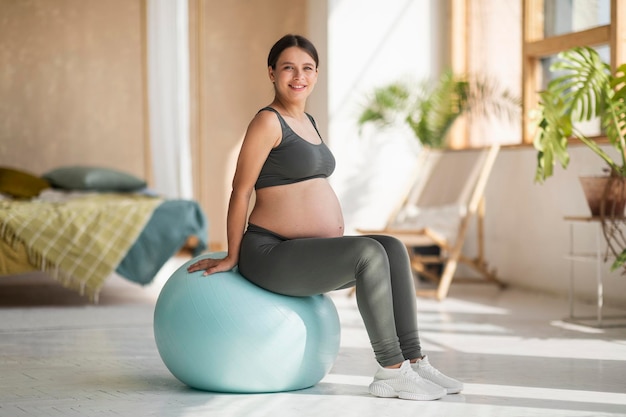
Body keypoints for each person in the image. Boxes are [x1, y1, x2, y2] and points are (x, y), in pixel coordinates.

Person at [187, 34, 463, 401]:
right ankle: (391, 370)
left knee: (392, 247)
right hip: (270, 252)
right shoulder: (267, 122)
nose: (298, 76)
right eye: (288, 68)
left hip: (304, 249)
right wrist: (232, 255)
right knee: (368, 253)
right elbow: (240, 190)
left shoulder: (308, 120)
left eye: (307, 68)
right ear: (271, 73)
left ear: (316, 74)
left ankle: (414, 358)